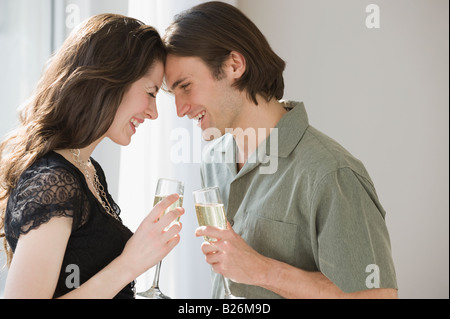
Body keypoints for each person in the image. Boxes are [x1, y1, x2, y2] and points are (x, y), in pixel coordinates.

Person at [163, 2, 397, 299]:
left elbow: (377, 297)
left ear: (234, 65)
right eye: (173, 94)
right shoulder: (212, 161)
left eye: (186, 86)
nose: (180, 109)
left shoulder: (331, 172)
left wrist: (262, 270)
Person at [0, 14, 183, 299]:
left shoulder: (88, 170)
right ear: (110, 80)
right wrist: (130, 264)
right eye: (150, 92)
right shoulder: (54, 181)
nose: (153, 112)